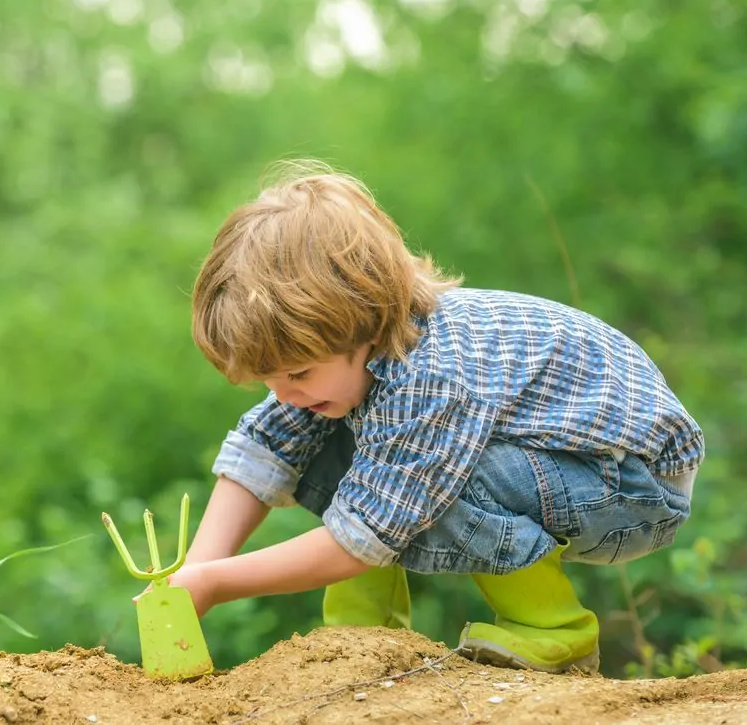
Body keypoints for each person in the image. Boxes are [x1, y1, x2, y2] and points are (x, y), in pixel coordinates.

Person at [167, 161, 704, 674]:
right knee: (336, 445)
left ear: (366, 325)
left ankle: (554, 629)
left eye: (298, 374)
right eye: (268, 379)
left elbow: (364, 532)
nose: (282, 395)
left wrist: (220, 583)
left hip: (631, 488)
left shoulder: (433, 375)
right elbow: (263, 453)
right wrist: (193, 572)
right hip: (563, 468)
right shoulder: (345, 359)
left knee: (429, 478)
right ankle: (360, 634)